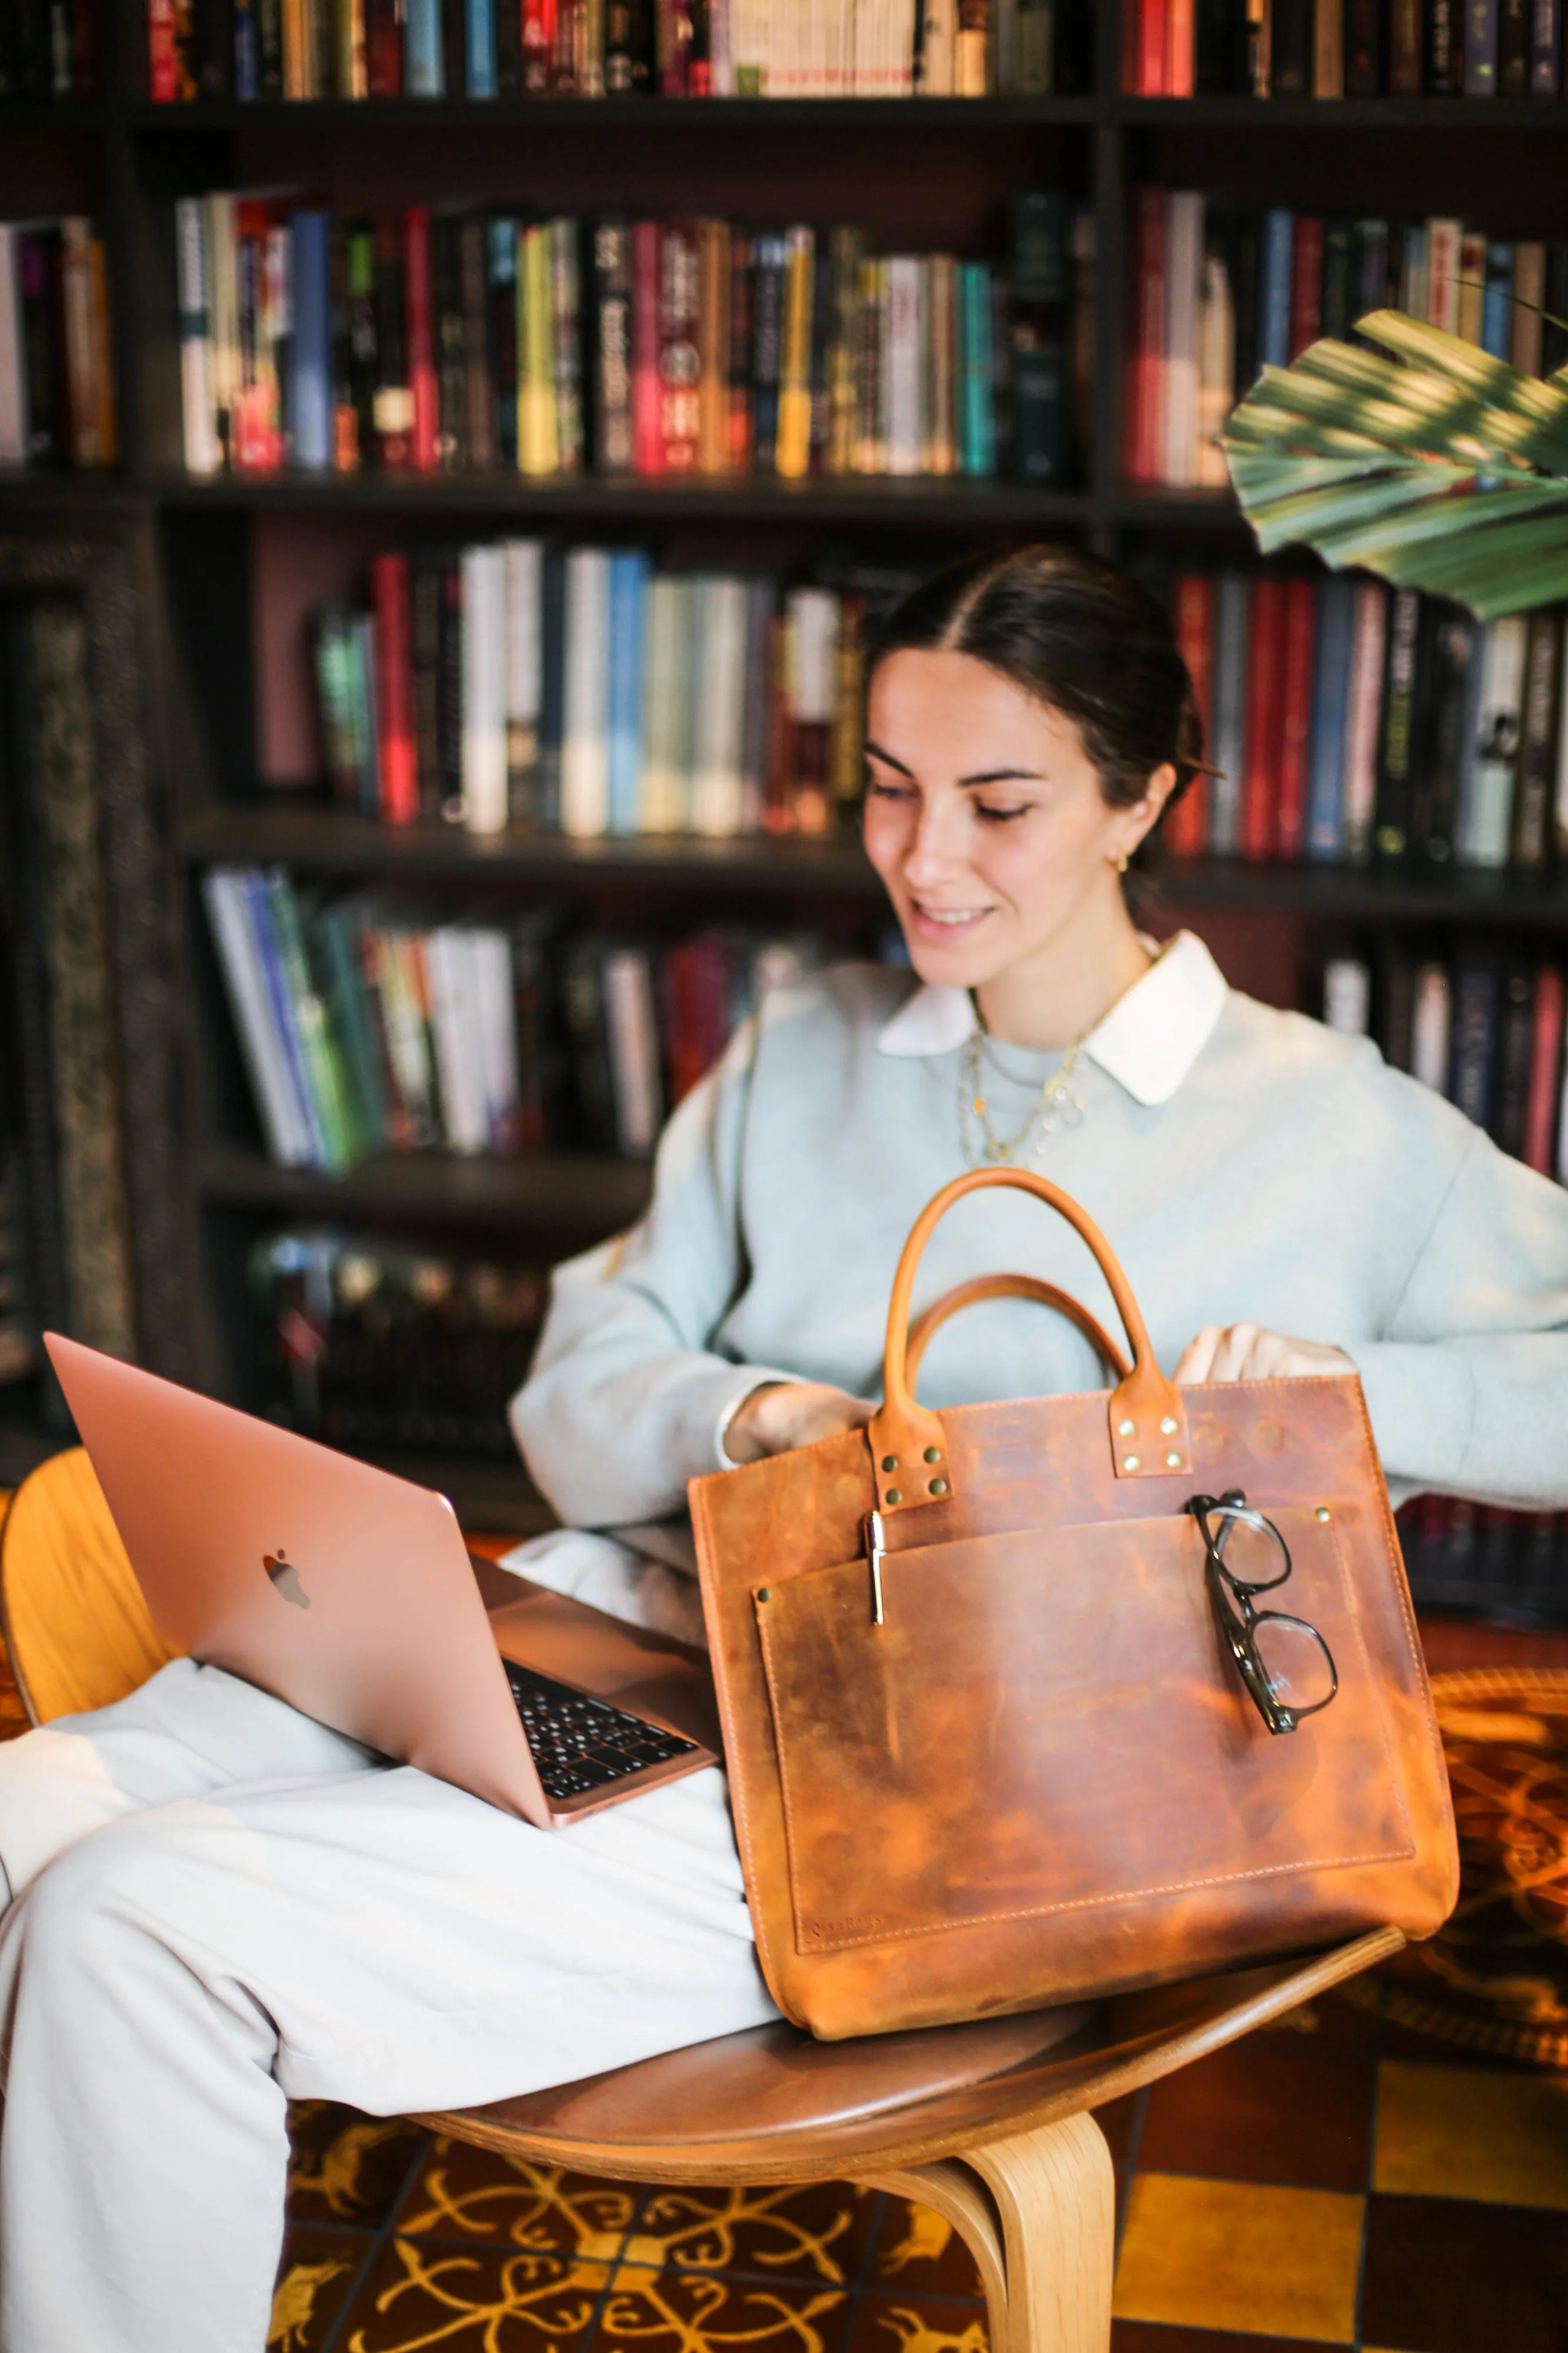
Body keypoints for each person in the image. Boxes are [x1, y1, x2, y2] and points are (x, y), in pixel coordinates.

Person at [0, 543, 1563, 2353]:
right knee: (24, 1816)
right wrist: (759, 1419)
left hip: (888, 1794)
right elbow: (578, 1382)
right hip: (591, 1630)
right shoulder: (801, 1049)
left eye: (999, 804)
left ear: (1144, 800)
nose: (922, 859)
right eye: (891, 792)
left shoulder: (1334, 1126)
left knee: (135, 1919)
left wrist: (1341, 1396)